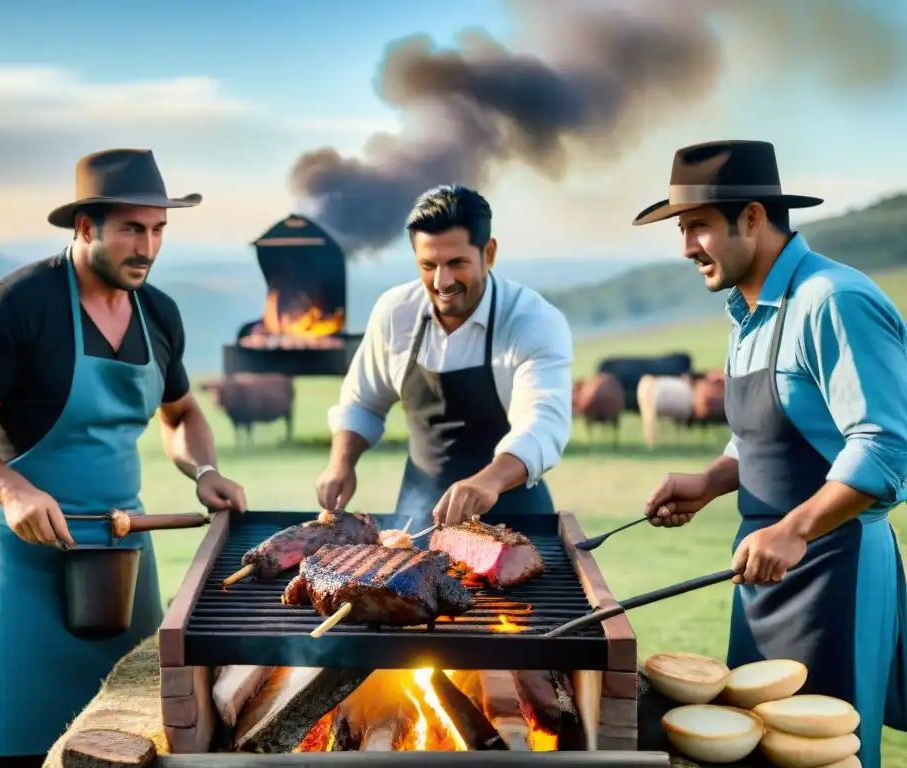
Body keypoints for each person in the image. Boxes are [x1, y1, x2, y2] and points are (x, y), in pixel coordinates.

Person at [0, 148, 249, 768]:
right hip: (26, 562)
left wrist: (203, 470)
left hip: (125, 555)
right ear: (84, 227)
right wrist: (11, 489)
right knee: (16, 748)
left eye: (157, 230)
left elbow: (181, 415)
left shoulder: (158, 313)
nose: (146, 247)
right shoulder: (19, 303)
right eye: (131, 228)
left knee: (130, 743)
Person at [634, 139, 907, 768]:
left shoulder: (834, 300)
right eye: (681, 229)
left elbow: (885, 444)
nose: (684, 247)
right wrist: (711, 480)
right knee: (754, 748)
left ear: (752, 218)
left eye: (697, 226)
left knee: (826, 753)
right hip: (763, 572)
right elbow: (772, 432)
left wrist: (794, 528)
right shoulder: (746, 312)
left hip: (835, 571)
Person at [316, 184, 573, 534]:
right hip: (417, 517)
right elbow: (362, 402)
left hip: (516, 521)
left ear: (490, 253)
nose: (442, 281)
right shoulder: (395, 312)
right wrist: (341, 464)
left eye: (457, 263)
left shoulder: (533, 321)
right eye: (428, 265)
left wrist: (488, 482)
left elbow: (543, 423)